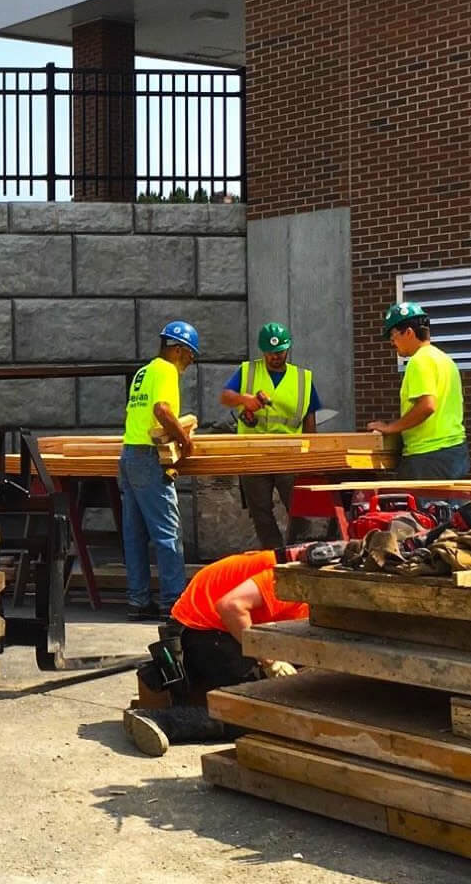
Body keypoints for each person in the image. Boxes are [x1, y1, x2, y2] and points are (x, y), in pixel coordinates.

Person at [124, 547, 310, 756]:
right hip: (200, 633)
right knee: (264, 711)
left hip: (207, 629)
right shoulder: (295, 581)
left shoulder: (306, 578)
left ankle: (171, 695)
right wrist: (270, 661)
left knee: (284, 695)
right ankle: (163, 721)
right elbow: (231, 606)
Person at [118, 321, 199, 621]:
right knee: (168, 533)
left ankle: (138, 601)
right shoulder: (165, 370)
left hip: (129, 455)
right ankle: (174, 602)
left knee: (135, 534)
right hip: (149, 457)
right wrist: (185, 439)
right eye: (191, 354)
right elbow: (162, 411)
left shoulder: (144, 371)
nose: (191, 361)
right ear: (178, 350)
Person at [217, 321, 323, 548]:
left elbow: (309, 419)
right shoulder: (248, 370)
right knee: (260, 510)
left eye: (280, 351)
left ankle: (296, 550)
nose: (275, 356)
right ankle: (274, 553)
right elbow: (225, 396)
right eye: (270, 353)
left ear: (288, 348)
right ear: (263, 351)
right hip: (254, 454)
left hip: (289, 454)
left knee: (299, 508)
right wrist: (245, 400)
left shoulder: (302, 378)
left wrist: (311, 456)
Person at [368, 302, 469, 480]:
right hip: (454, 452)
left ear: (408, 332)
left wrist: (390, 428)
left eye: (393, 336)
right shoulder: (444, 359)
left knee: (421, 508)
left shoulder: (419, 361)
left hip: (427, 456)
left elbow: (427, 406)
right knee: (448, 507)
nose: (392, 342)